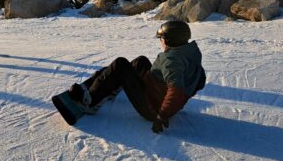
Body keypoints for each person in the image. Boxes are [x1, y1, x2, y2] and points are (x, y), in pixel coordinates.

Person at [60, 20, 206, 133]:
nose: (160, 41)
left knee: (120, 64)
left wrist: (162, 115)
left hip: (153, 108)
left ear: (167, 40)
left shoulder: (172, 60)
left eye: (161, 38)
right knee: (140, 61)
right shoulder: (190, 53)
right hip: (157, 93)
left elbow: (177, 89)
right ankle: (112, 84)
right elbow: (200, 80)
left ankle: (89, 102)